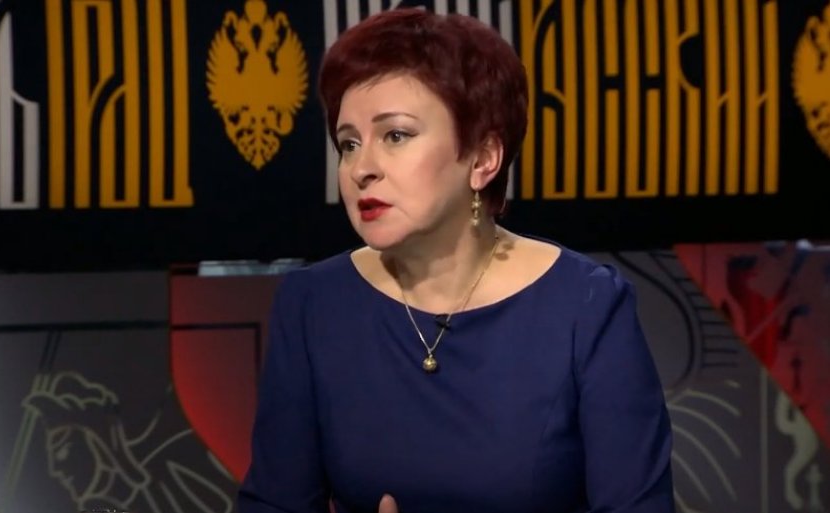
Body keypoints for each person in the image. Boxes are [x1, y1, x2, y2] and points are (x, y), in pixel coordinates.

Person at [238, 8, 674, 513]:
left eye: (395, 135)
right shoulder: (314, 306)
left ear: (484, 158)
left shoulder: (587, 306)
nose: (361, 169)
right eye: (349, 143)